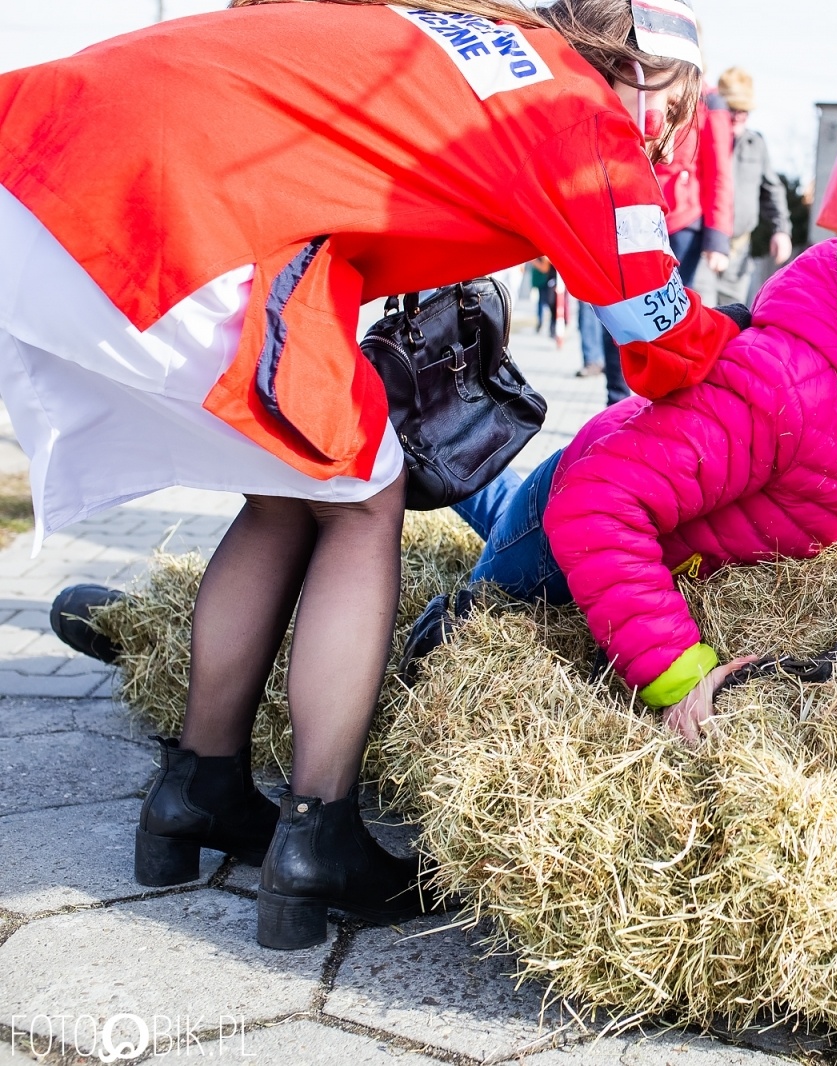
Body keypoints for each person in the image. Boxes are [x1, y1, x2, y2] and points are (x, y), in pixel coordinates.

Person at [8, 0, 739, 949]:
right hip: (176, 204)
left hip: (52, 148)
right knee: (362, 502)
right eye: (675, 104)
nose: (669, 130)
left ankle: (199, 789)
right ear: (648, 71)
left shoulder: (483, 41)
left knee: (288, 494)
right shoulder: (577, 113)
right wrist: (759, 346)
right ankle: (319, 835)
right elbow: (660, 333)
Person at [403, 188, 837, 744]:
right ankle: (415, 450)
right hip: (570, 523)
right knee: (492, 610)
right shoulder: (784, 390)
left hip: (660, 521)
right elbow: (595, 506)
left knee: (498, 505)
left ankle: (456, 467)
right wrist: (677, 674)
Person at [600, 77, 735, 404]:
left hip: (681, 221)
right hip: (630, 208)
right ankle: (616, 399)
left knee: (665, 316)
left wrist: (718, 236)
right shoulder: (636, 81)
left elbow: (718, 170)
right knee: (617, 308)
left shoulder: (709, 102)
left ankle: (659, 400)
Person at [692, 67, 794, 308]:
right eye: (733, 109)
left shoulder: (755, 143)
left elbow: (773, 190)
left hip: (739, 254)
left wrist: (781, 230)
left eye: (745, 111)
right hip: (701, 250)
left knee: (732, 322)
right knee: (700, 319)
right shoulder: (699, 138)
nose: (739, 116)